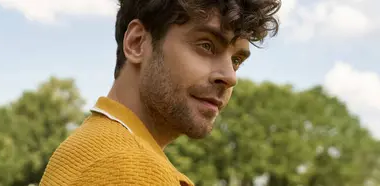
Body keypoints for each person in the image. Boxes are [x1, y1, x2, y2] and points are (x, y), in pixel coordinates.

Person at [40, 0, 281, 185]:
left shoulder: (94, 147)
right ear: (137, 43)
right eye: (207, 45)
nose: (230, 77)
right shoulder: (127, 170)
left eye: (237, 60)